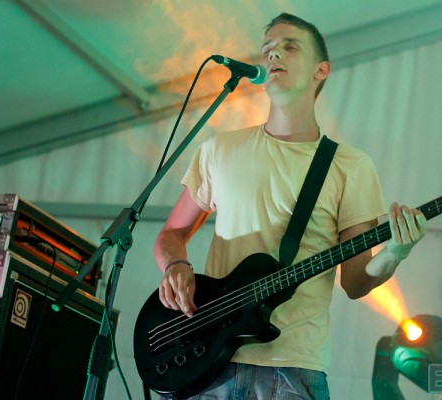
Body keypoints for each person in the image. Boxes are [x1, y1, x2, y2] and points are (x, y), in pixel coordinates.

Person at [153, 12, 427, 399]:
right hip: (208, 358)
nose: (273, 54)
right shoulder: (219, 150)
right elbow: (172, 234)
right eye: (267, 48)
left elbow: (354, 282)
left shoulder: (350, 166)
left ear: (321, 69)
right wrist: (175, 266)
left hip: (293, 369)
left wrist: (395, 253)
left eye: (290, 46)